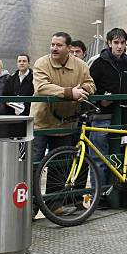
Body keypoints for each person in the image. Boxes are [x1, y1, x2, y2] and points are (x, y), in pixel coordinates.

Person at [32, 32, 95, 162]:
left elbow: (91, 84)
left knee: (60, 168)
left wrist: (83, 90)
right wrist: (70, 93)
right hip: (41, 124)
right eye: (52, 44)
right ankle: (32, 183)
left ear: (68, 48)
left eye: (59, 45)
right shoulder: (41, 63)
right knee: (34, 164)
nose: (54, 48)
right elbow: (41, 87)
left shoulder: (81, 65)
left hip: (66, 125)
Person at [89, 28, 127, 200]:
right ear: (108, 43)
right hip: (101, 116)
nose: (119, 46)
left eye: (122, 42)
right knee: (99, 159)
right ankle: (98, 197)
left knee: (118, 158)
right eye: (116, 42)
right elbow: (90, 86)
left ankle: (114, 195)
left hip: (121, 117)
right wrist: (101, 100)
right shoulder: (98, 62)